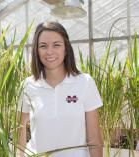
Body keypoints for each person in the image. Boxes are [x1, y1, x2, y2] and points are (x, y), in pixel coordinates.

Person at [17, 21, 103, 157]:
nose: (49, 51)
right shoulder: (27, 85)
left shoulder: (85, 82)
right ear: (36, 51)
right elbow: (19, 133)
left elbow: (94, 138)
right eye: (43, 46)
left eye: (56, 45)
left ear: (66, 49)